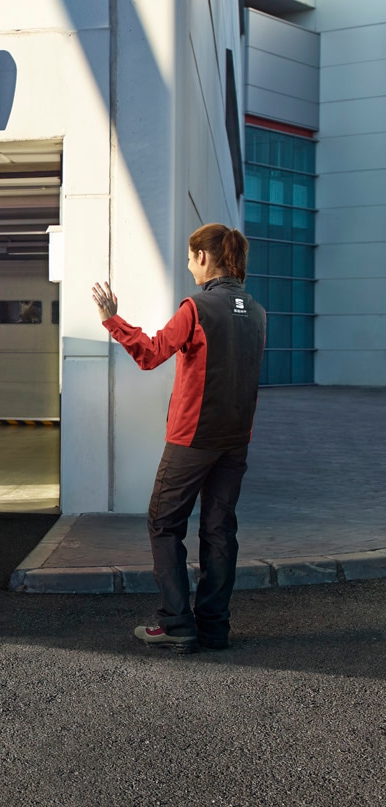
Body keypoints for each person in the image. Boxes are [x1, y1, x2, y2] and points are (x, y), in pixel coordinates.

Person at [92, 223, 266, 653]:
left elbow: (151, 353)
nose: (189, 266)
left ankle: (177, 624)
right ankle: (214, 628)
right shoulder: (258, 311)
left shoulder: (198, 306)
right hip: (236, 439)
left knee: (164, 523)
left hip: (193, 439)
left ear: (204, 257)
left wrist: (112, 319)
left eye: (190, 257)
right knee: (219, 531)